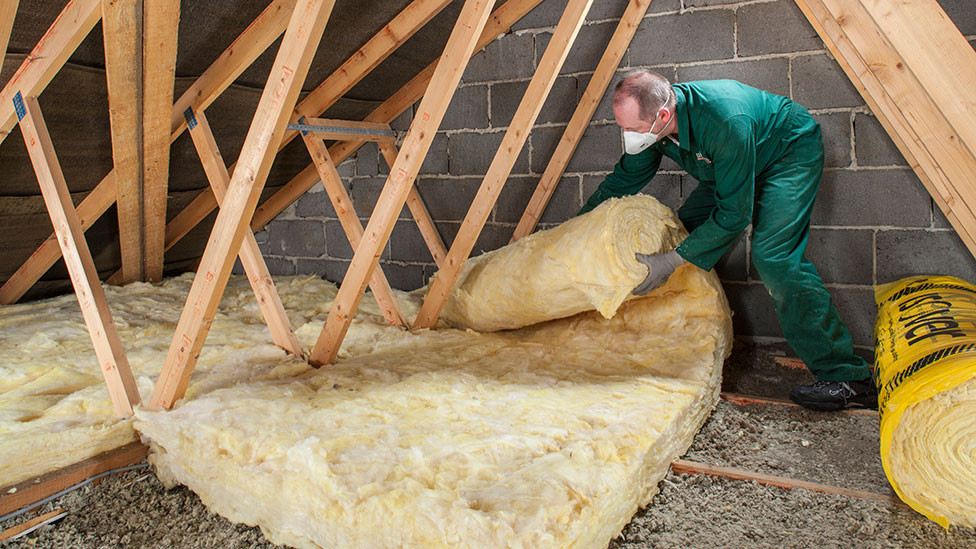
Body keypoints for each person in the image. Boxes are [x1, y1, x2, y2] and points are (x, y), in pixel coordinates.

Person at [581, 70, 875, 412]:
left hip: (784, 155)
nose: (628, 136)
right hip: (730, 164)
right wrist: (578, 226)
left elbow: (734, 215)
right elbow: (626, 177)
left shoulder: (724, 119)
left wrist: (673, 261)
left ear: (663, 115)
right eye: (623, 128)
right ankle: (679, 343)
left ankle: (848, 377)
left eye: (631, 128)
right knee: (681, 234)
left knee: (774, 258)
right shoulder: (656, 126)